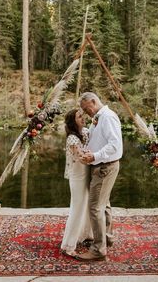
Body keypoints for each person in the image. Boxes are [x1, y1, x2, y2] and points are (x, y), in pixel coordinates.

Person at [75, 92, 123, 262]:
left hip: (104, 167)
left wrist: (94, 156)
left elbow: (114, 145)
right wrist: (89, 151)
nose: (85, 112)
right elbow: (100, 140)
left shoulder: (108, 117)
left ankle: (98, 250)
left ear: (93, 101)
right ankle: (107, 238)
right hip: (101, 165)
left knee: (95, 207)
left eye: (85, 108)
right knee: (104, 205)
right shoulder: (99, 117)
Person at [61, 108, 93, 257]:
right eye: (79, 117)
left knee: (86, 206)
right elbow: (81, 156)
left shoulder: (86, 132)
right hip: (77, 176)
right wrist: (96, 155)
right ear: (73, 122)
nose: (83, 118)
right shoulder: (72, 139)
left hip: (86, 174)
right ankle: (69, 245)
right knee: (77, 208)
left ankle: (85, 235)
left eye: (82, 115)